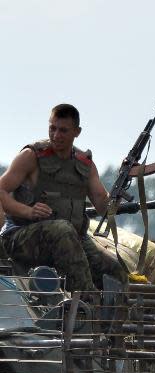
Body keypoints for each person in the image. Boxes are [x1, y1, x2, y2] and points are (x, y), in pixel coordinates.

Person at [0, 104, 124, 291]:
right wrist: (29, 211)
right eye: (52, 128)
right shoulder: (31, 156)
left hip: (71, 238)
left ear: (77, 132)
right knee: (63, 229)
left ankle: (112, 318)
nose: (56, 135)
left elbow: (102, 206)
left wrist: (121, 186)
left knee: (115, 273)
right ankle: (84, 305)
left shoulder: (85, 165)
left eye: (63, 130)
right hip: (21, 236)